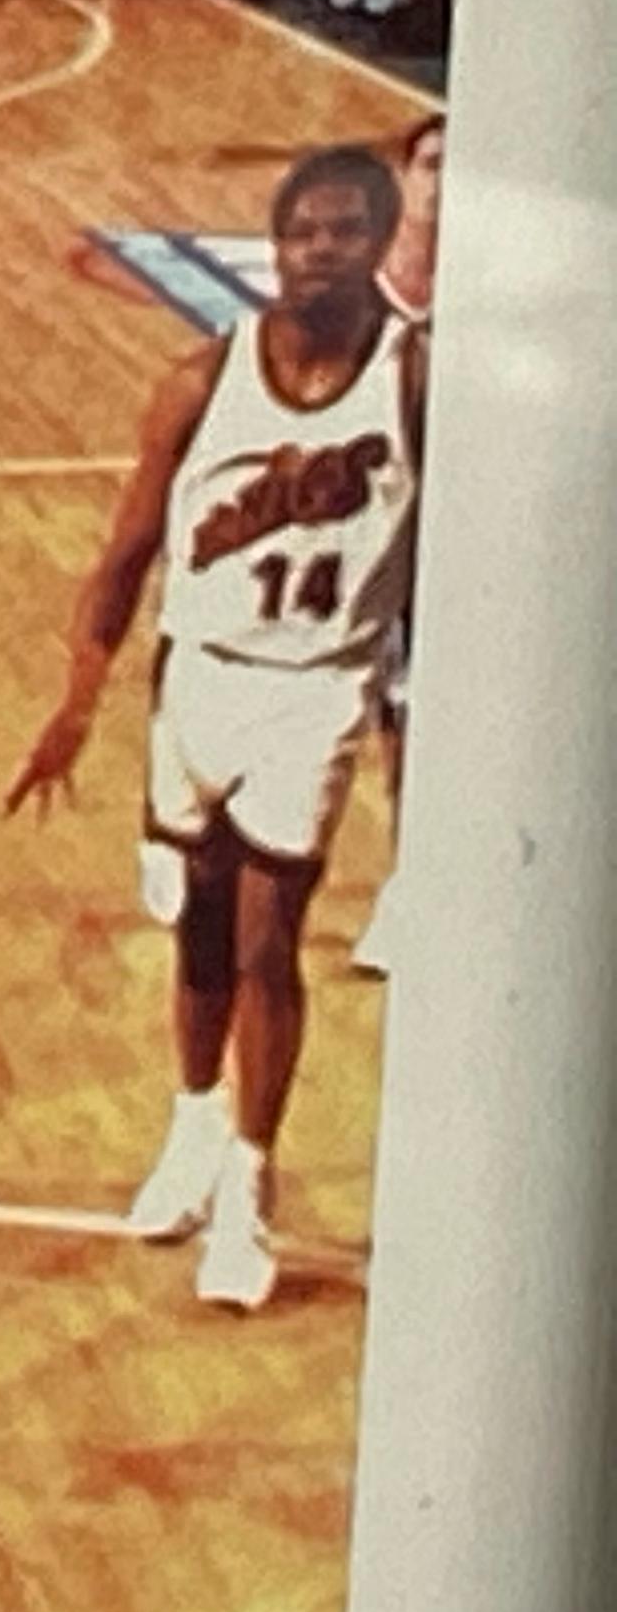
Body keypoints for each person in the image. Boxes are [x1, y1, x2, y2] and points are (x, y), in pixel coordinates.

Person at [7, 144, 424, 1309]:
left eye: (346, 230)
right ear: (276, 245)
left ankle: (250, 1188)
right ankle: (192, 1127)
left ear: (382, 243)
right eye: (303, 231)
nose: (320, 250)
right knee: (196, 931)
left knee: (264, 942)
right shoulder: (200, 380)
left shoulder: (414, 381)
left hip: (318, 685)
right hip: (200, 677)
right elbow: (125, 555)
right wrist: (77, 703)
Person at [352, 107, 443, 976]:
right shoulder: (352, 292)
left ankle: (409, 888)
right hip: (349, 535)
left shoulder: (482, 300)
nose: (444, 185)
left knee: (412, 722)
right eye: (432, 166)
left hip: (440, 539)